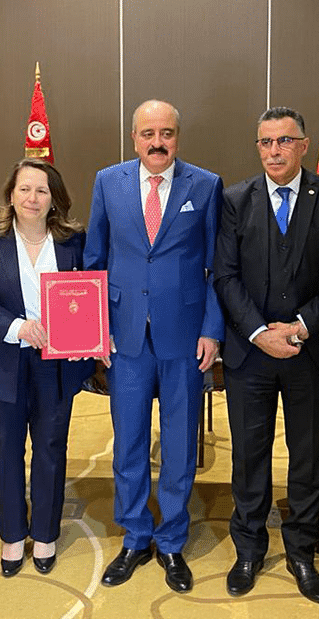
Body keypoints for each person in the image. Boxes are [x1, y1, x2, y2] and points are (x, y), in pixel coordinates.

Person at [214, 106, 319, 603]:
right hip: (250, 355)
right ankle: (249, 548)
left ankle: (301, 548)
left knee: (307, 456)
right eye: (265, 142)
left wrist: (301, 326)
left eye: (283, 141)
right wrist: (259, 332)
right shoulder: (235, 199)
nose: (273, 151)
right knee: (249, 457)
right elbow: (225, 276)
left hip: (310, 352)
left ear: (304, 145)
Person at [84, 99, 224, 593]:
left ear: (177, 138)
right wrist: (95, 328)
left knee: (182, 442)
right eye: (148, 133)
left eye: (166, 133)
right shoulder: (108, 182)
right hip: (124, 336)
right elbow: (94, 259)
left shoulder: (205, 185)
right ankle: (135, 535)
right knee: (129, 441)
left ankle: (171, 540)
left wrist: (211, 329)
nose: (157, 141)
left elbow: (215, 267)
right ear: (134, 137)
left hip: (184, 335)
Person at [0, 158, 95, 577]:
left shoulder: (73, 240)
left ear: (54, 198)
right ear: (11, 195)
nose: (32, 198)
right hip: (3, 358)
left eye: (41, 190)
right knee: (6, 449)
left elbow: (88, 294)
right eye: (24, 190)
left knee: (51, 449)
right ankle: (13, 534)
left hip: (57, 364)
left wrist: (83, 335)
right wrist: (17, 326)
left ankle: (47, 533)